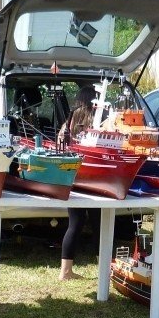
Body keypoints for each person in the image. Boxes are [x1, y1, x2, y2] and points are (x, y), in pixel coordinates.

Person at [58, 85, 98, 280]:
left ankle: (66, 271)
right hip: (95, 177)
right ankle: (105, 263)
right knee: (101, 222)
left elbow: (60, 140)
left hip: (73, 175)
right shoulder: (97, 119)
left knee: (75, 223)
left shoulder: (70, 119)